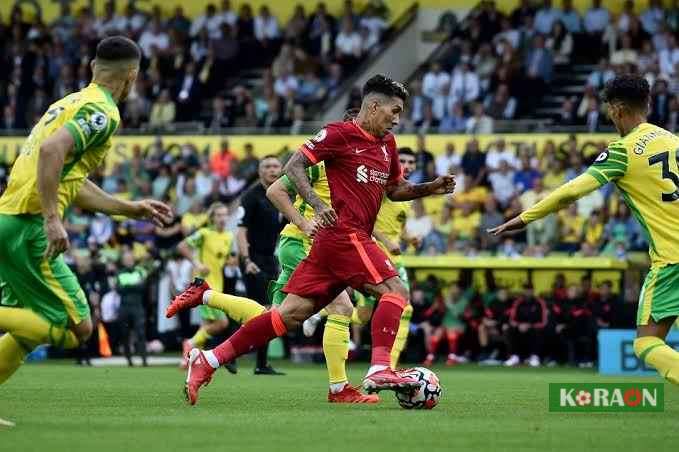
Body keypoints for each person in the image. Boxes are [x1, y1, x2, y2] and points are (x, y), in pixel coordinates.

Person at [169, 74, 455, 405]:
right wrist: (316, 207)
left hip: (336, 243)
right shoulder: (338, 134)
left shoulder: (387, 145)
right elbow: (292, 168)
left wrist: (428, 188)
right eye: (395, 110)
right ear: (373, 106)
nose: (397, 119)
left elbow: (394, 189)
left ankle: (209, 359)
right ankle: (379, 368)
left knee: (286, 315)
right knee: (396, 291)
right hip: (342, 234)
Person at [0, 36, 172, 421]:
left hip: (8, 221)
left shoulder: (68, 102)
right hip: (29, 227)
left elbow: (68, 178)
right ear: (132, 76)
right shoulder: (103, 112)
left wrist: (129, 209)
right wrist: (51, 218)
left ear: (94, 68)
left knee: (30, 331)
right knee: (76, 328)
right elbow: (51, 152)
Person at [489, 74, 679, 385]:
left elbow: (571, 191)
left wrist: (523, 218)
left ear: (617, 109)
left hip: (671, 261)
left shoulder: (623, 150)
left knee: (646, 344)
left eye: (607, 108)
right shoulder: (673, 140)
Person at [236, 156, 287, 375]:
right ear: (259, 171)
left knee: (266, 311)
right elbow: (240, 230)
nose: (272, 170)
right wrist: (246, 260)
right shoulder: (250, 196)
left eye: (276, 166)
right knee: (260, 310)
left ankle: (260, 363)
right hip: (252, 259)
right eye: (267, 167)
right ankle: (243, 357)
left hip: (270, 258)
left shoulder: (281, 194)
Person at [176, 202, 236, 373]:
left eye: (225, 215)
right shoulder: (204, 234)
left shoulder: (229, 237)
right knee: (222, 322)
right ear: (212, 218)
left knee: (207, 325)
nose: (223, 218)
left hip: (218, 285)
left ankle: (188, 360)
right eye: (219, 215)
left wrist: (234, 262)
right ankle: (190, 343)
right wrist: (197, 263)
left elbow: (224, 260)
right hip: (204, 286)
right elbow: (182, 246)